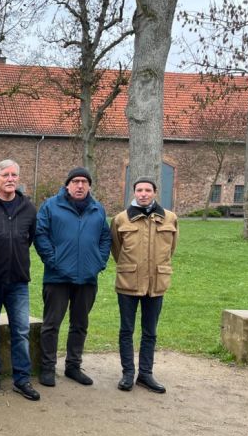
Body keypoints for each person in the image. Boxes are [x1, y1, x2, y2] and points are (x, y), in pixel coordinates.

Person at [34, 167, 111, 387]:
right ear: (67, 185)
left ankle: (73, 366)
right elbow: (41, 235)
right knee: (51, 325)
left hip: (87, 278)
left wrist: (98, 261)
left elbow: (105, 238)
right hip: (57, 278)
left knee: (80, 324)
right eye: (76, 181)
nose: (80, 185)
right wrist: (54, 261)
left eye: (84, 182)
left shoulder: (97, 209)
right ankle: (47, 367)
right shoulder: (51, 206)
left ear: (89, 186)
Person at [0, 159, 40, 401]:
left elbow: (29, 238)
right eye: (5, 175)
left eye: (14, 175)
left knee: (21, 331)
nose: (10, 179)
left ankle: (22, 378)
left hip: (18, 281)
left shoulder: (28, 208)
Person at [110, 177, 178, 393]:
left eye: (148, 190)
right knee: (126, 330)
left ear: (155, 192)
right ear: (134, 193)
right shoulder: (121, 219)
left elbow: (171, 249)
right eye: (139, 190)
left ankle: (145, 374)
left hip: (156, 283)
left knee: (150, 331)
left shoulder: (170, 218)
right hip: (129, 282)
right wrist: (131, 267)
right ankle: (128, 374)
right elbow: (116, 249)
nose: (143, 194)